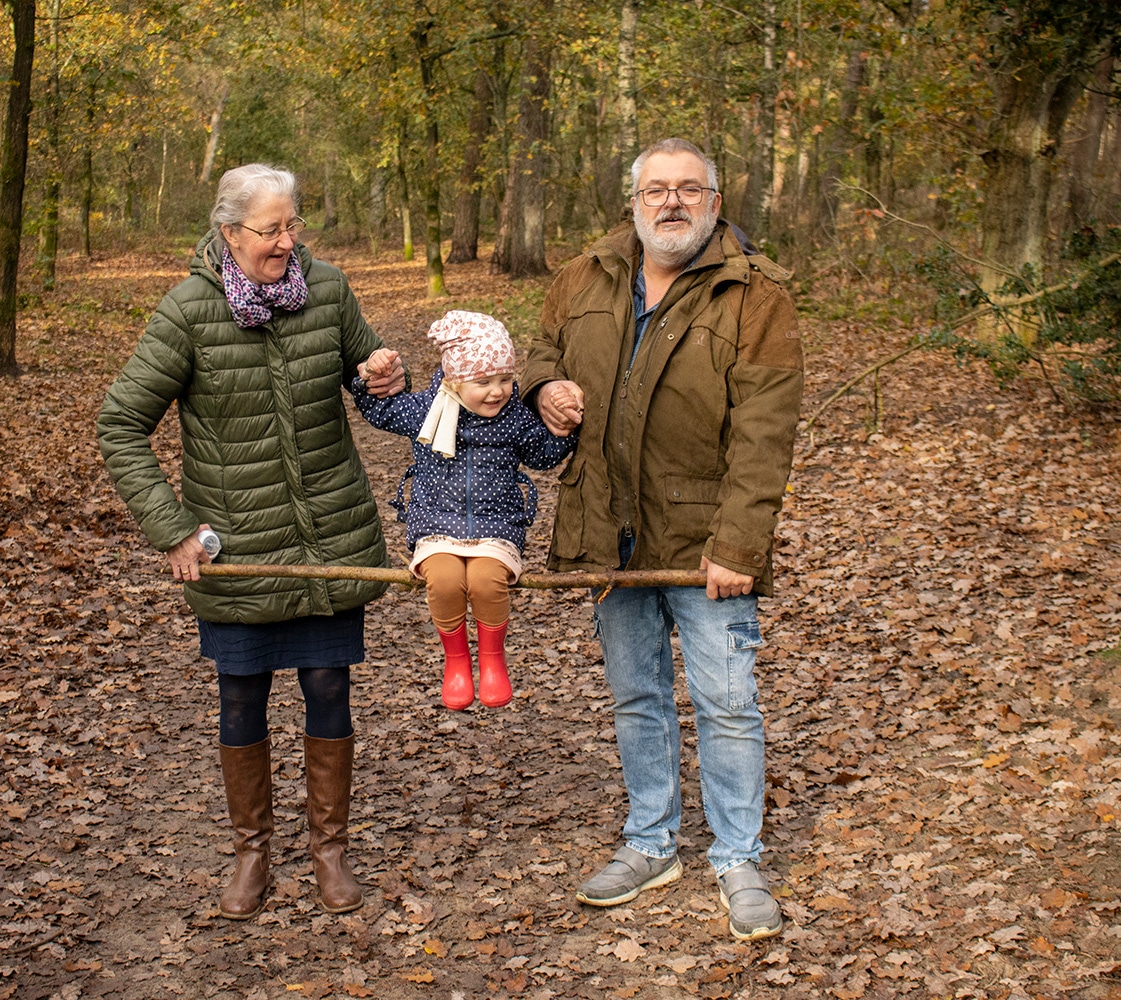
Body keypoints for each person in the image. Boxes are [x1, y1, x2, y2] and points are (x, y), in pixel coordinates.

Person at [97, 163, 406, 921]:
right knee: (241, 696)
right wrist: (172, 530)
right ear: (229, 232)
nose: (287, 241)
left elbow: (368, 383)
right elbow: (121, 425)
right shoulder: (188, 311)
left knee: (328, 686)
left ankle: (329, 851)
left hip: (328, 535)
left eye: (293, 224)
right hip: (240, 548)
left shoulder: (327, 289)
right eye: (271, 229)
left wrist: (382, 375)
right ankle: (252, 853)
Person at [522, 138, 803, 941]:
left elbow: (765, 433)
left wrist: (738, 546)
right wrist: (545, 387)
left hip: (703, 538)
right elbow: (540, 353)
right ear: (634, 201)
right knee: (636, 697)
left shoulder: (756, 294)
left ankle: (739, 857)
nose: (671, 202)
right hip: (607, 530)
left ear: (715, 202)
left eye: (688, 189)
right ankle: (651, 843)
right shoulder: (584, 276)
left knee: (728, 704)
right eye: (656, 189)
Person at [351, 311, 576, 710]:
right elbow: (379, 411)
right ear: (454, 381)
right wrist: (369, 377)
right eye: (483, 382)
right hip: (436, 524)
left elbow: (541, 454)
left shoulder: (514, 417)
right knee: (445, 581)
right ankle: (456, 661)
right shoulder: (426, 409)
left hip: (496, 526)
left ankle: (491, 659)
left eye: (505, 379)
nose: (497, 392)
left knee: (487, 581)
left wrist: (565, 430)